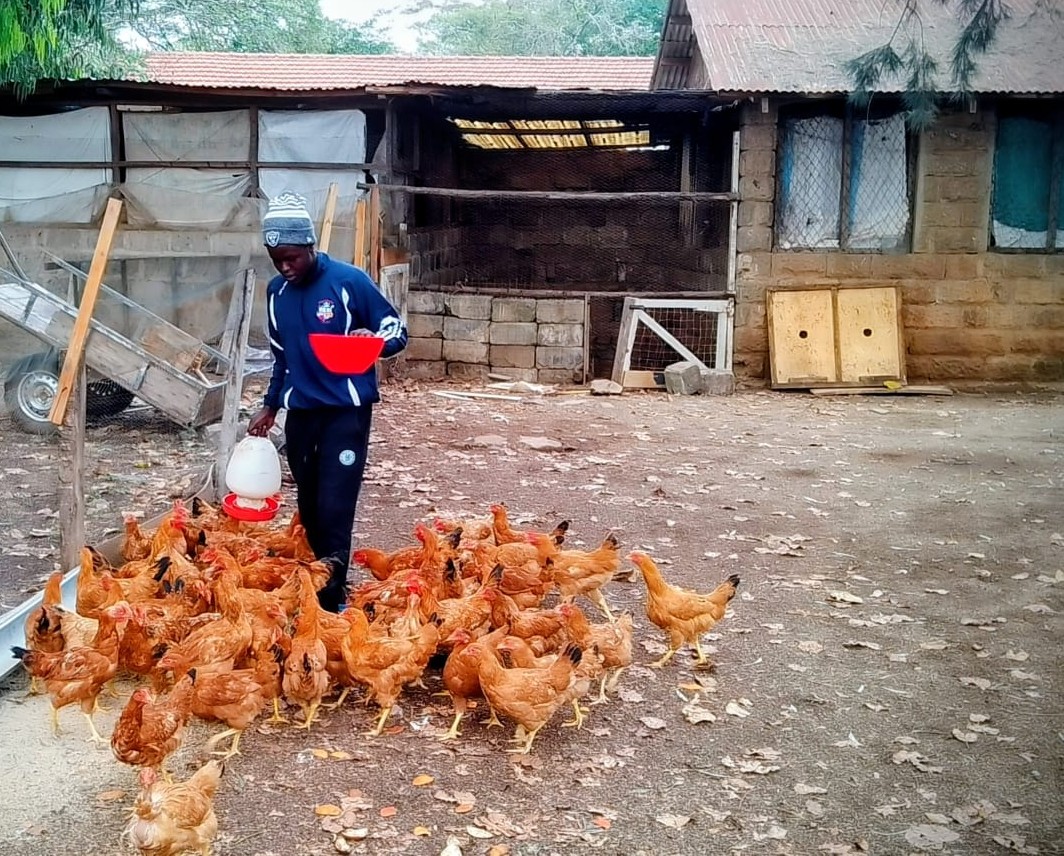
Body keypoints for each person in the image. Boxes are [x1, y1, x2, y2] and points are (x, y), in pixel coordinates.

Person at [247, 191, 408, 611]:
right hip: (301, 414)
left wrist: (374, 340)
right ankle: (318, 580)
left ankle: (332, 601)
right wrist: (270, 405)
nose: (285, 267)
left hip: (345, 413)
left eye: (293, 258)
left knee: (336, 504)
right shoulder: (276, 293)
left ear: (311, 246)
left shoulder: (349, 281)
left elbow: (395, 329)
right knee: (309, 502)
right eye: (276, 258)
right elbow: (281, 355)